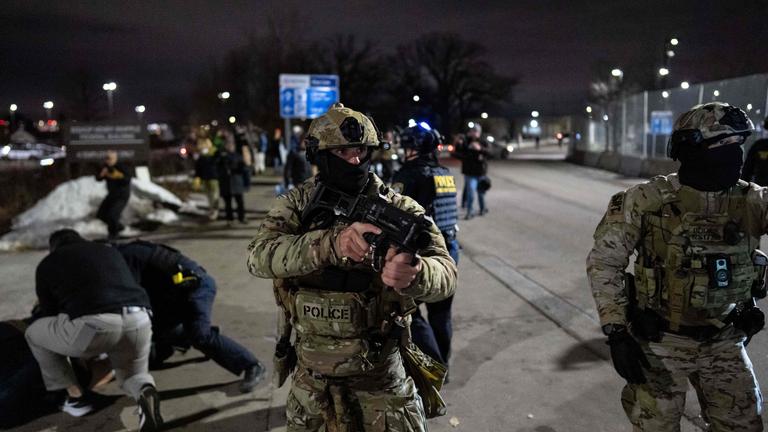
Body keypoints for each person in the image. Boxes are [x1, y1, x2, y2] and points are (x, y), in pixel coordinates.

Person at [247, 103, 457, 431]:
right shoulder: (296, 205)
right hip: (313, 386)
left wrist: (416, 274)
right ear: (319, 155)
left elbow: (446, 272)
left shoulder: (397, 206)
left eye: (360, 150)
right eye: (343, 152)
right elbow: (259, 257)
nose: (355, 160)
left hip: (381, 383)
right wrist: (332, 243)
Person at [587, 102, 765, 431]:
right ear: (692, 149)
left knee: (744, 424)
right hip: (661, 342)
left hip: (725, 339)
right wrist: (616, 332)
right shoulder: (645, 200)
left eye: (738, 146)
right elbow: (604, 263)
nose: (736, 156)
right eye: (724, 146)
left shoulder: (751, 200)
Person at [24, 229, 163, 431]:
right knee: (132, 377)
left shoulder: (49, 263)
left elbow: (49, 312)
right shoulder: (108, 251)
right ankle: (144, 390)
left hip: (94, 325)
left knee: (34, 334)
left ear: (53, 248)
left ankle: (74, 397)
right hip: (139, 318)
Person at [117, 240, 265, 393]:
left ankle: (252, 365)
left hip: (196, 289)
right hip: (174, 295)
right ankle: (196, 334)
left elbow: (130, 299)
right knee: (162, 333)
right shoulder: (126, 252)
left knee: (200, 336)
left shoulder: (126, 257)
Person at [391, 123, 459, 368]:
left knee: (408, 311)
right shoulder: (445, 174)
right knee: (441, 314)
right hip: (449, 250)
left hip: (420, 254)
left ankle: (435, 366)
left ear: (414, 147)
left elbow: (395, 216)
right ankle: (444, 364)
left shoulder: (408, 175)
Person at [95, 150, 132, 239]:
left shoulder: (121, 167)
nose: (107, 160)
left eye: (109, 158)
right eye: (106, 158)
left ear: (115, 158)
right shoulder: (106, 167)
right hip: (111, 195)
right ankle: (119, 227)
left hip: (122, 195)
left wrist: (118, 176)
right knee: (101, 214)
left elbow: (127, 179)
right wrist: (102, 174)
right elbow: (98, 178)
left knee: (113, 215)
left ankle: (113, 235)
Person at [455, 135, 490, 219]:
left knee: (481, 193)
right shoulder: (466, 141)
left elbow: (490, 152)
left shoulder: (483, 141)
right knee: (470, 192)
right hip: (470, 173)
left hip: (481, 173)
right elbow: (458, 152)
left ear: (479, 132)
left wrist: (480, 149)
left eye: (476, 131)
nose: (474, 133)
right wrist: (459, 144)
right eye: (472, 131)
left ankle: (482, 208)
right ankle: (470, 211)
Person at [216, 139, 248, 225]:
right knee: (228, 203)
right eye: (228, 145)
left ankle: (241, 217)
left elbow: (243, 168)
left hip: (236, 181)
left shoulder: (237, 156)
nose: (230, 147)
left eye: (231, 145)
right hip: (226, 182)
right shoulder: (221, 156)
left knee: (239, 201)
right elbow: (217, 167)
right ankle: (230, 219)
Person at [193, 133, 220, 221]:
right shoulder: (201, 156)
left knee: (215, 195)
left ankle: (215, 211)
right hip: (205, 178)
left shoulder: (214, 153)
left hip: (213, 177)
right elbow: (198, 168)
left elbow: (217, 163)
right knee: (209, 196)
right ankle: (212, 210)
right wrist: (197, 178)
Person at [741, 116, 768, 186]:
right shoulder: (759, 146)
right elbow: (747, 170)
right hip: (761, 190)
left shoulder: (759, 146)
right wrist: (746, 189)